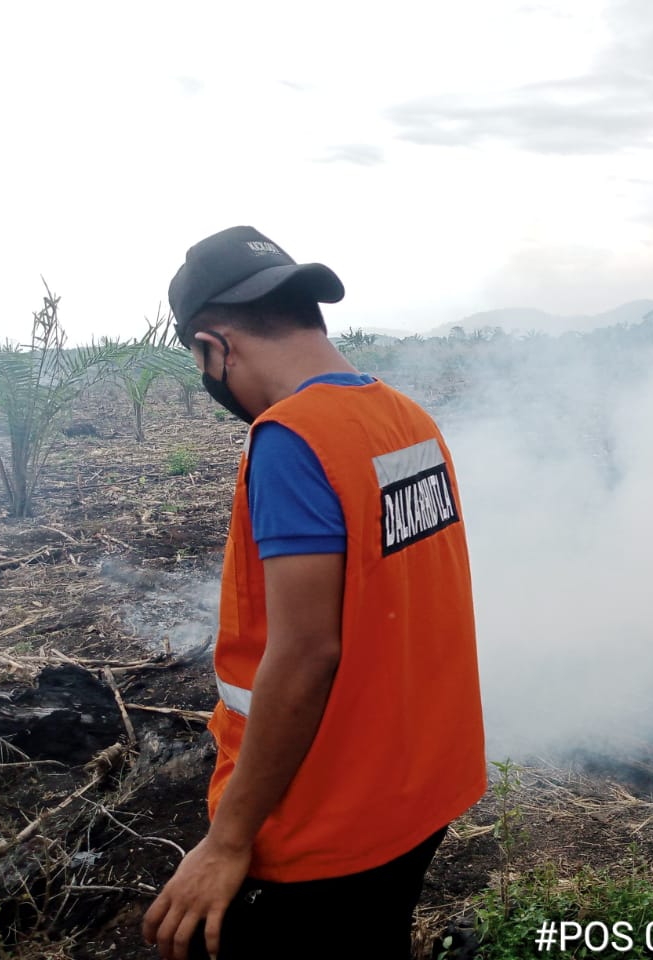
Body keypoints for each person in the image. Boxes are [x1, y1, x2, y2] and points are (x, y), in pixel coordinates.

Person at [143, 226, 486, 960]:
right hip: (423, 788)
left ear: (213, 348)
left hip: (328, 823)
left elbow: (305, 654)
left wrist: (226, 842)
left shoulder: (292, 438)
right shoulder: (407, 418)